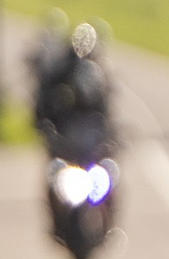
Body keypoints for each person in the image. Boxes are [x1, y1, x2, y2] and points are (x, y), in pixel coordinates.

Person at [31, 18, 114, 159]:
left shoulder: (101, 75)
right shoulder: (62, 71)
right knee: (54, 169)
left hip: (91, 152)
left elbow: (108, 115)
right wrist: (46, 125)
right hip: (66, 150)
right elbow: (45, 105)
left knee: (111, 170)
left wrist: (112, 137)